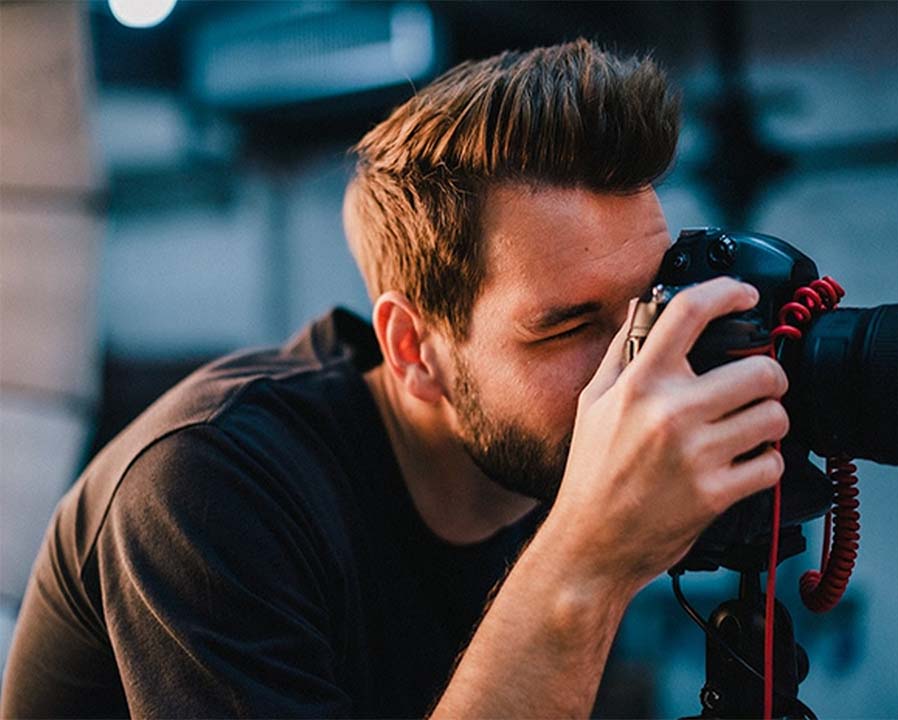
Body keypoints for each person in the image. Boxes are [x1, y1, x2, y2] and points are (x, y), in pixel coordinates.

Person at [0, 38, 789, 719]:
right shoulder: (204, 489)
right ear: (413, 348)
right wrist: (589, 558)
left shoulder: (526, 460)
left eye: (649, 308)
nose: (639, 365)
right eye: (569, 327)